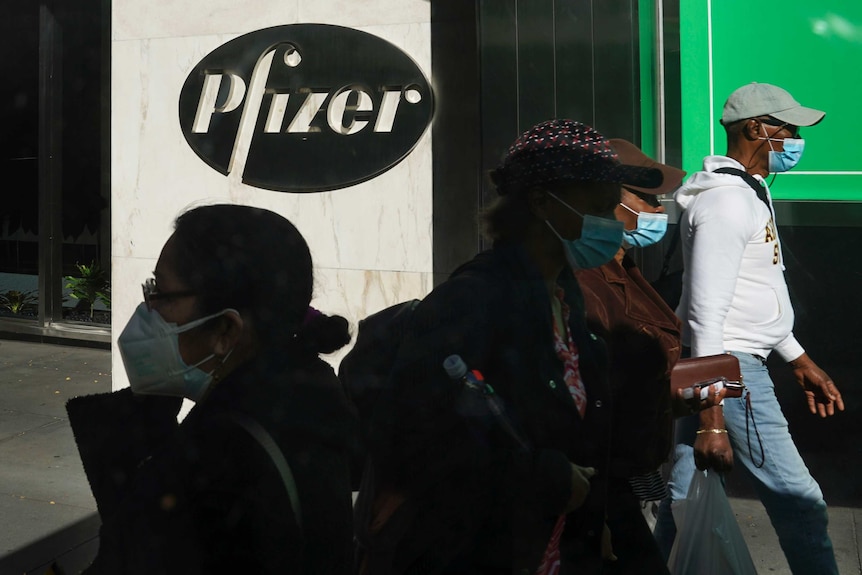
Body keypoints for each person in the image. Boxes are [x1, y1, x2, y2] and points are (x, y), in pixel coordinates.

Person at [358, 119, 664, 575]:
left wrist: (591, 517)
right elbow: (417, 436)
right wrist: (544, 476)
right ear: (542, 202)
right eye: (598, 205)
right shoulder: (473, 300)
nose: (611, 218)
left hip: (560, 540)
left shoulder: (565, 295)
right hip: (481, 549)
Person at [66, 204, 357, 574]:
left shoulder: (217, 460)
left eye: (163, 295)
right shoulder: (306, 405)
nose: (148, 310)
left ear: (225, 331)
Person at [653, 82, 845, 574]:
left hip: (723, 364)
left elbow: (753, 293)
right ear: (757, 129)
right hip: (731, 372)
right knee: (800, 501)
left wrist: (797, 358)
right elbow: (706, 314)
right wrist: (712, 420)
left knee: (682, 498)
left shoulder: (747, 194)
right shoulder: (728, 204)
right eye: (790, 128)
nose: (798, 139)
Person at [575, 140, 726, 575]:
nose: (659, 211)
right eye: (646, 199)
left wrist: (678, 396)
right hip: (599, 488)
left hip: (627, 477)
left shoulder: (623, 266)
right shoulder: (585, 282)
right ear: (603, 201)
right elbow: (587, 399)